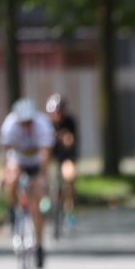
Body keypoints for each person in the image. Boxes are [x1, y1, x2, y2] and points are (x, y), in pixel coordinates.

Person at [0, 98, 54, 269]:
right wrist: (3, 175)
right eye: (23, 123)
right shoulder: (9, 125)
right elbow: (6, 154)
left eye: (29, 122)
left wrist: (43, 178)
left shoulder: (43, 125)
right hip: (19, 161)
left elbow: (45, 156)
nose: (26, 126)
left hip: (36, 163)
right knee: (12, 179)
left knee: (37, 205)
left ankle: (39, 246)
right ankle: (12, 210)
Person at [46, 93, 78, 228]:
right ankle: (46, 199)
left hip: (66, 157)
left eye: (58, 112)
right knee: (42, 175)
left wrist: (62, 137)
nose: (56, 115)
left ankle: (69, 209)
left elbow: (70, 141)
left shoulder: (69, 122)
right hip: (51, 157)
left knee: (69, 176)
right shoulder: (46, 124)